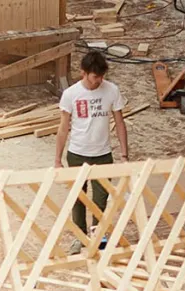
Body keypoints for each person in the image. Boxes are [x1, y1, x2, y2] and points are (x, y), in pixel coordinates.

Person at [54, 51, 129, 254]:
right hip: (77, 152)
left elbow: (120, 123)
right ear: (83, 74)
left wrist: (124, 155)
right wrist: (57, 160)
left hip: (103, 153)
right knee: (78, 197)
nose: (99, 81)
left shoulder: (111, 90)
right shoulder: (70, 94)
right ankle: (79, 237)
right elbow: (63, 128)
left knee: (101, 198)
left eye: (101, 77)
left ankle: (99, 234)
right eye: (95, 77)